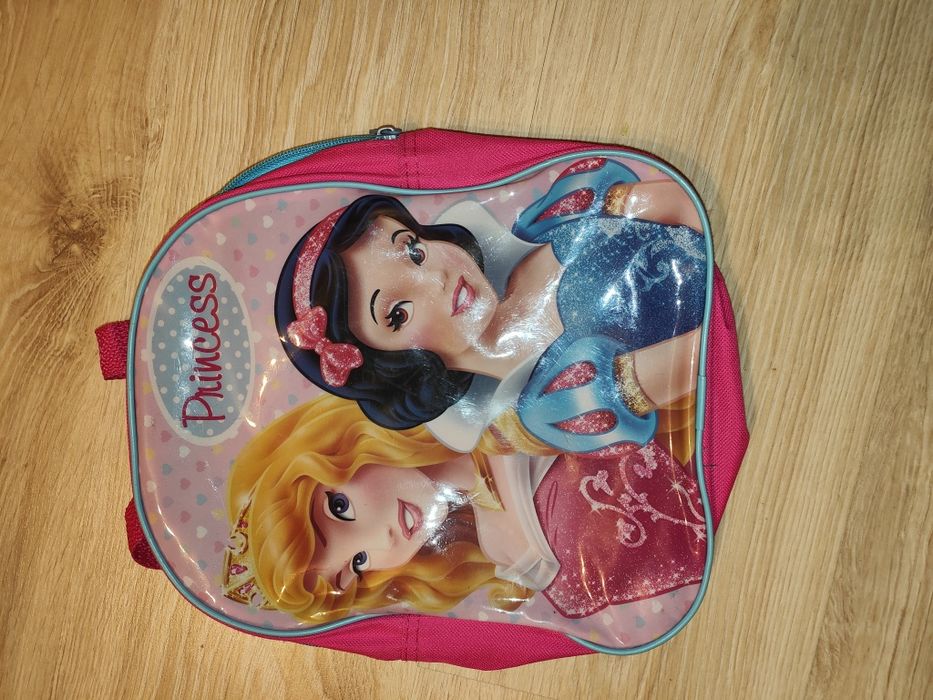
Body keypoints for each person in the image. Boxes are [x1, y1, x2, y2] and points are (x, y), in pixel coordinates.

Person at [274, 156, 707, 454]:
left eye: (413, 251)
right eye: (397, 314)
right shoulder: (555, 399)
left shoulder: (553, 218)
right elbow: (699, 359)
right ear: (393, 367)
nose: (436, 279)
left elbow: (686, 203)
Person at [222, 394, 706, 624]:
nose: (383, 540)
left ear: (333, 446)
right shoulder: (503, 550)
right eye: (358, 564)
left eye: (340, 507)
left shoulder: (482, 401)